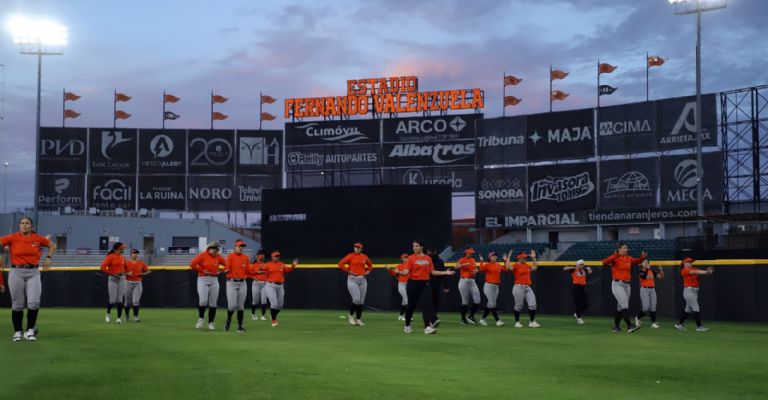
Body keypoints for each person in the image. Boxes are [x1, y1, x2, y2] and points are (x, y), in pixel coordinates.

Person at [0, 216, 56, 341]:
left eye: (27, 223)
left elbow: (53, 245)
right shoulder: (12, 237)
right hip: (16, 271)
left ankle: (30, 331)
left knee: (34, 302)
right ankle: (18, 332)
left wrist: (48, 258)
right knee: (17, 304)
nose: (24, 225)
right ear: (19, 225)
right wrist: (1, 256)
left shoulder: (37, 238)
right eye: (22, 223)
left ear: (31, 226)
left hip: (33, 272)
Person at [401, 240, 455, 334]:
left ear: (421, 247)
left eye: (417, 246)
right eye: (413, 246)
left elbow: (432, 272)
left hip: (424, 284)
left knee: (427, 305)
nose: (415, 248)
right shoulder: (410, 258)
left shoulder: (427, 258)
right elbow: (406, 271)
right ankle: (407, 325)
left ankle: (427, 328)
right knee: (411, 306)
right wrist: (400, 272)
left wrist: (445, 272)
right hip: (413, 284)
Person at [602, 242, 646, 333]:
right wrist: (616, 255)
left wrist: (642, 258)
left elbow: (636, 261)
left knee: (620, 307)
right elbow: (604, 262)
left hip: (627, 285)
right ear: (619, 249)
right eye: (624, 248)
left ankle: (616, 327)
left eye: (626, 248)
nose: (626, 249)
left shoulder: (628, 258)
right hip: (617, 284)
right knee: (624, 305)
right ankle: (630, 326)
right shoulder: (615, 257)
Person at [189, 241, 226, 330]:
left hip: (214, 279)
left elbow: (227, 265)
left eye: (217, 250)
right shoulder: (202, 255)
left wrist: (221, 271)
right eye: (215, 250)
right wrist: (201, 271)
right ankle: (201, 319)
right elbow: (192, 264)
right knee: (203, 301)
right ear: (210, 248)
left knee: (213, 302)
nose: (216, 252)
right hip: (203, 279)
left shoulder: (218, 257)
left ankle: (211, 323)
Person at [338, 242, 373, 326]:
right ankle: (350, 315)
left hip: (362, 279)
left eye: (358, 247)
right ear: (354, 248)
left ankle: (358, 320)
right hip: (352, 279)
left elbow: (370, 265)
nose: (357, 248)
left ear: (361, 249)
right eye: (355, 247)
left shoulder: (364, 257)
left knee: (361, 301)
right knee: (356, 299)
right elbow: (340, 264)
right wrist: (348, 271)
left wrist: (368, 271)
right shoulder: (350, 256)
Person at [675, 257, 714, 332]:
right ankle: (699, 326)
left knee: (688, 310)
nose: (690, 263)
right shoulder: (684, 270)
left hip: (695, 291)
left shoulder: (694, 268)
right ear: (685, 263)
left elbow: (699, 272)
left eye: (691, 262)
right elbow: (694, 272)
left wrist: (708, 272)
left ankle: (679, 324)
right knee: (696, 307)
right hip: (688, 291)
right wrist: (706, 272)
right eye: (689, 262)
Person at [260, 251, 298, 327]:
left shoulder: (281, 264)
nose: (277, 257)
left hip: (280, 285)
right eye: (275, 256)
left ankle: (273, 315)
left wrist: (293, 265)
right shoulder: (268, 264)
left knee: (280, 305)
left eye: (278, 256)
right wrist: (261, 267)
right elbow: (261, 269)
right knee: (274, 303)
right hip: (270, 285)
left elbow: (288, 270)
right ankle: (274, 320)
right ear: (272, 257)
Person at [507, 250, 540, 328]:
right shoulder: (516, 265)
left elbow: (535, 267)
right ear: (519, 258)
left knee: (533, 304)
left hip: (527, 287)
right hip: (518, 287)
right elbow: (508, 267)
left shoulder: (527, 265)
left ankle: (532, 322)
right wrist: (508, 257)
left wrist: (534, 258)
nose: (525, 259)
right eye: (524, 258)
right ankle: (517, 322)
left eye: (526, 257)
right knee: (519, 305)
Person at [224, 239, 251, 333]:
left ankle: (240, 326)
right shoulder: (230, 257)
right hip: (232, 283)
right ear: (235, 247)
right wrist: (226, 270)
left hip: (242, 283)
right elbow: (227, 267)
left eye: (242, 246)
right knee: (232, 306)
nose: (241, 248)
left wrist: (258, 272)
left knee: (240, 306)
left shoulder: (246, 257)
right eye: (239, 246)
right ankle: (228, 320)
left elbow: (249, 270)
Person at [101, 242, 129, 324]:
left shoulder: (123, 257)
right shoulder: (110, 257)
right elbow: (102, 267)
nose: (124, 249)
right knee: (112, 300)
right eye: (122, 248)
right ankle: (108, 314)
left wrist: (127, 272)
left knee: (120, 299)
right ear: (117, 249)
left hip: (121, 278)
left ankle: (118, 318)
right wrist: (112, 273)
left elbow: (126, 268)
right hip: (113, 278)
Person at [478, 251, 506, 327]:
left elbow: (506, 269)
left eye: (495, 256)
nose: (495, 257)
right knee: (493, 303)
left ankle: (482, 319)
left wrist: (505, 260)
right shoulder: (487, 264)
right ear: (489, 257)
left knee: (490, 304)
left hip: (496, 286)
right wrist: (481, 261)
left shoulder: (498, 265)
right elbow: (481, 269)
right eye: (493, 256)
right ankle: (498, 321)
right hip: (488, 285)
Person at [455, 248, 481, 325]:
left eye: (472, 253)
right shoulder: (462, 259)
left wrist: (475, 271)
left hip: (472, 281)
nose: (471, 254)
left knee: (477, 300)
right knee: (465, 301)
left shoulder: (473, 260)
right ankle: (463, 319)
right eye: (470, 253)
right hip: (464, 281)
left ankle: (470, 316)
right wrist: (463, 265)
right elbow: (456, 267)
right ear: (466, 253)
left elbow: (475, 269)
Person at [124, 249, 151, 322]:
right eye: (134, 253)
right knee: (127, 302)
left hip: (138, 283)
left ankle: (136, 317)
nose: (135, 254)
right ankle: (127, 316)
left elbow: (149, 271)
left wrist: (143, 274)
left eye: (136, 253)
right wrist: (127, 273)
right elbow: (121, 271)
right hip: (128, 282)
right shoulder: (126, 262)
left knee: (135, 301)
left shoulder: (141, 263)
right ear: (131, 254)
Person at [636, 259, 664, 329]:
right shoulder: (641, 271)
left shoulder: (652, 271)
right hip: (644, 289)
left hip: (652, 290)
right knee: (645, 307)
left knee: (653, 307)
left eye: (647, 262)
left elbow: (661, 277)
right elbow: (644, 277)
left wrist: (661, 270)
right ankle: (638, 317)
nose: (645, 263)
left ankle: (653, 323)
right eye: (644, 262)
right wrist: (648, 269)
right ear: (641, 264)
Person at [563, 259, 592, 324]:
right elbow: (564, 268)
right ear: (578, 264)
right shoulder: (574, 269)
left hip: (582, 288)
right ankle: (579, 318)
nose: (582, 265)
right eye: (581, 264)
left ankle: (577, 313)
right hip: (576, 287)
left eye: (583, 264)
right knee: (577, 303)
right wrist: (574, 267)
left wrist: (589, 269)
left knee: (586, 303)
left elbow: (590, 272)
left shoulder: (584, 270)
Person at [427, 248, 450, 326]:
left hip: (427, 283)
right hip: (436, 284)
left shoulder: (427, 260)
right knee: (434, 302)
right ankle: (434, 317)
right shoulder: (440, 261)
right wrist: (446, 286)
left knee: (429, 302)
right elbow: (444, 274)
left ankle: (432, 318)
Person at [385, 253, 409, 321]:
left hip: (409, 284)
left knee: (404, 301)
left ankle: (401, 316)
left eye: (407, 257)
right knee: (406, 299)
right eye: (405, 257)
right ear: (402, 259)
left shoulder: (410, 266)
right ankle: (408, 316)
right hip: (402, 285)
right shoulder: (399, 266)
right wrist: (389, 269)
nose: (406, 258)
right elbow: (393, 273)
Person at [250, 250, 269, 321]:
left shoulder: (266, 265)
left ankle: (263, 315)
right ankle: (253, 314)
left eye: (263, 255)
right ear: (257, 256)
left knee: (264, 300)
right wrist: (255, 275)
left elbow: (269, 273)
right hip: (256, 284)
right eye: (261, 255)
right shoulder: (253, 265)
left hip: (264, 283)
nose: (263, 256)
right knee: (255, 300)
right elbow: (250, 273)